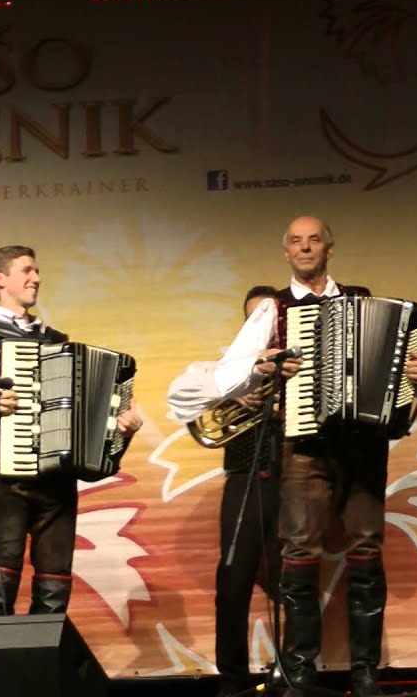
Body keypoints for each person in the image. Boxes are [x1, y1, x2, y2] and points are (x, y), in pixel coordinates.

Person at [172, 216, 417, 697]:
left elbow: (400, 366)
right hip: (304, 446)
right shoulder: (274, 309)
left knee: (365, 552)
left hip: (362, 446)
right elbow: (232, 371)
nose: (305, 247)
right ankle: (300, 674)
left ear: (328, 248)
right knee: (297, 555)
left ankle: (365, 674)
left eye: (314, 239)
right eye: (296, 241)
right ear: (286, 252)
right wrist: (264, 365)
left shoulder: (362, 298)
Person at [0, 245, 143, 616]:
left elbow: (81, 416)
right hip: (8, 477)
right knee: (3, 573)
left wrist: (120, 427)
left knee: (56, 577)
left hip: (58, 479)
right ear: (0, 279)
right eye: (27, 271)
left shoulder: (58, 342)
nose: (36, 278)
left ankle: (46, 665)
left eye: (37, 272)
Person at [167, 285, 285, 697]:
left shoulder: (299, 367)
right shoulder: (223, 369)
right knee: (233, 580)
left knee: (293, 582)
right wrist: (236, 388)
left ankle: (294, 671)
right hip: (244, 480)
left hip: (295, 482)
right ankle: (232, 680)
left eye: (269, 319)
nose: (262, 327)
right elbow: (179, 395)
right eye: (254, 318)